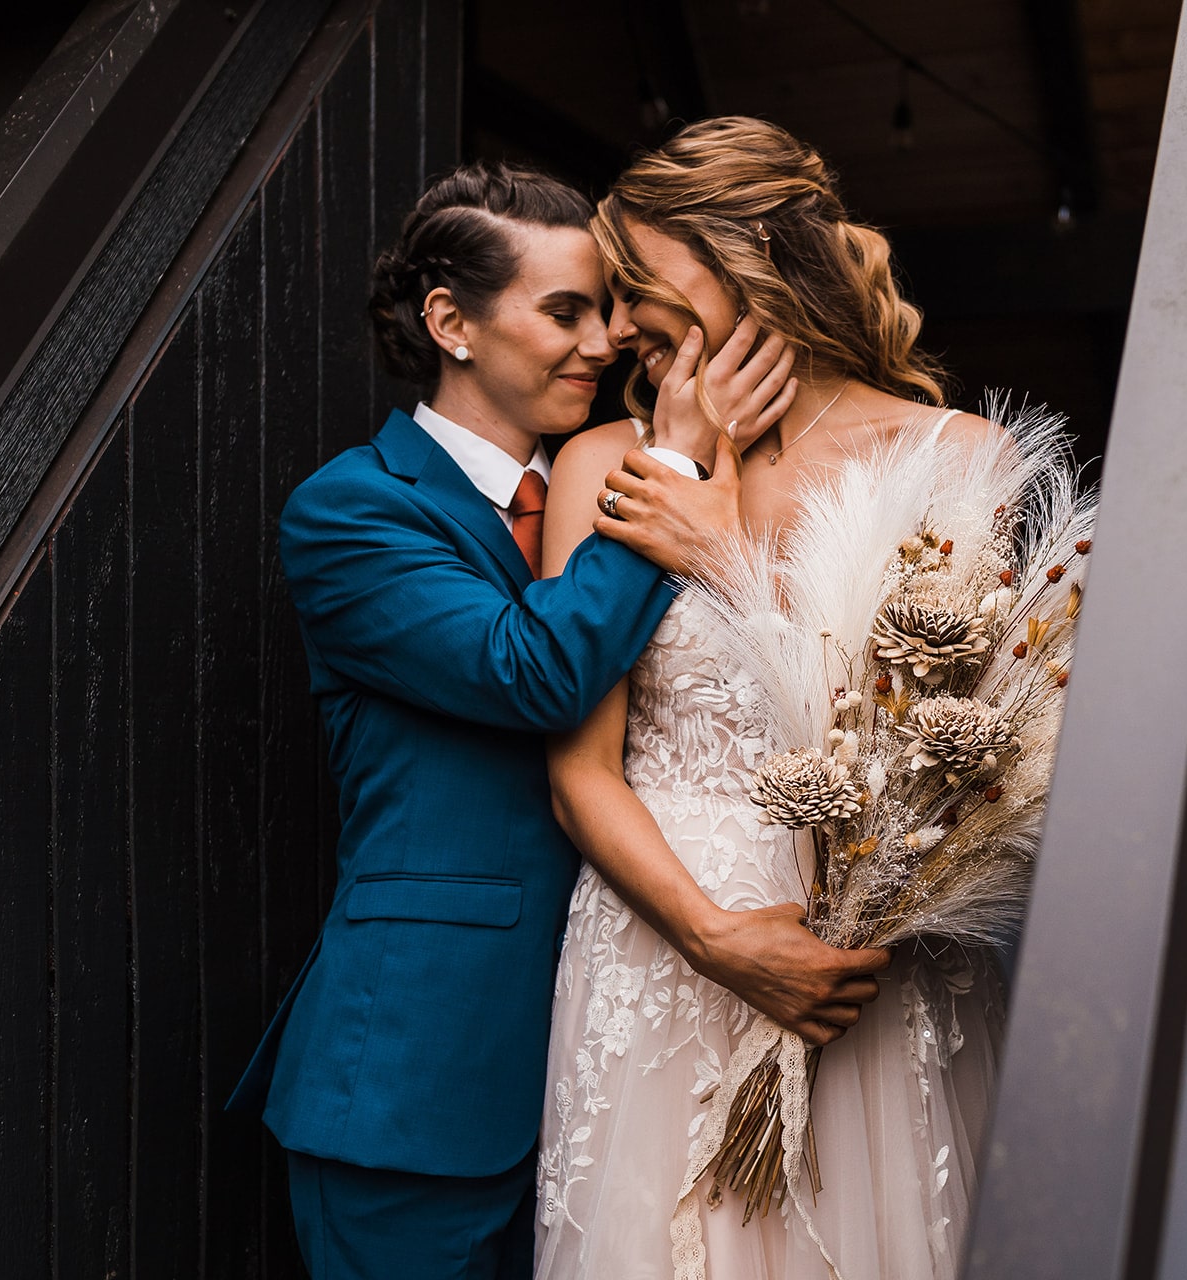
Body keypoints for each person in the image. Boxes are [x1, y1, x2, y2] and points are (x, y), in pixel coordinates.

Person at [227, 160, 888, 1280]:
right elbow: (529, 668)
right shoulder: (352, 510)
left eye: (614, 306)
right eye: (566, 311)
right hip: (421, 1082)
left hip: (617, 1064)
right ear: (452, 323)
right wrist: (671, 463)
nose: (607, 339)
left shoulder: (598, 479)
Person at [536, 118, 1007, 1279]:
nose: (624, 320)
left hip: (858, 970)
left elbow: (942, 747)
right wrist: (714, 939)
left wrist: (722, 555)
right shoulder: (604, 466)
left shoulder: (958, 455)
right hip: (658, 947)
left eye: (641, 281)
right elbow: (579, 767)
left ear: (744, 249)